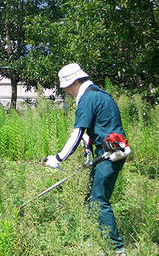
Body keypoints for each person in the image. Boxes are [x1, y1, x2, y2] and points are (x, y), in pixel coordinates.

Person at [45, 63, 128, 255]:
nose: (65, 90)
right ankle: (96, 239)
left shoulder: (88, 99)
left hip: (110, 153)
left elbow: (77, 133)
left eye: (65, 86)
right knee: (90, 197)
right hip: (106, 151)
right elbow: (95, 129)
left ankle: (117, 249)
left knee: (99, 200)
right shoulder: (98, 94)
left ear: (74, 82)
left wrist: (58, 158)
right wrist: (88, 153)